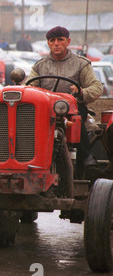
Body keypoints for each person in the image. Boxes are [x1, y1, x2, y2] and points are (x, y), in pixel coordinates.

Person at [26, 26, 103, 175]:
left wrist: (81, 92)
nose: (56, 43)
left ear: (68, 42)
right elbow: (30, 87)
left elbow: (96, 87)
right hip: (45, 111)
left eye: (60, 40)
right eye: (52, 40)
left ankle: (86, 157)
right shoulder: (39, 66)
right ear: (48, 43)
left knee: (76, 120)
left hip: (72, 109)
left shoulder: (81, 64)